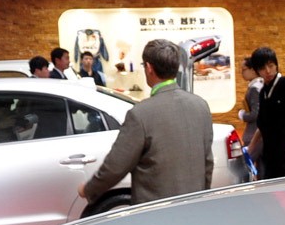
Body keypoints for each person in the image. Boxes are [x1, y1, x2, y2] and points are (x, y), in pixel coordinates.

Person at [78, 38, 214, 205]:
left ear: (149, 68)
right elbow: (207, 162)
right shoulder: (200, 106)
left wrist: (89, 189)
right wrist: (202, 198)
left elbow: (116, 166)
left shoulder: (140, 114)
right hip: (194, 206)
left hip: (154, 211)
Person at [247, 46, 285, 179]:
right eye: (263, 68)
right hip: (269, 151)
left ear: (276, 65)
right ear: (257, 71)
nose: (268, 71)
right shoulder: (263, 92)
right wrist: (251, 147)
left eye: (271, 66)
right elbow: (263, 124)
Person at [238, 58, 264, 179]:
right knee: (262, 168)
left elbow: (255, 113)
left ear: (253, 70)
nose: (242, 73)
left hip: (254, 134)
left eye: (244, 69)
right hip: (261, 134)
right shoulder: (261, 85)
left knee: (245, 165)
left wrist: (242, 115)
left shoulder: (255, 88)